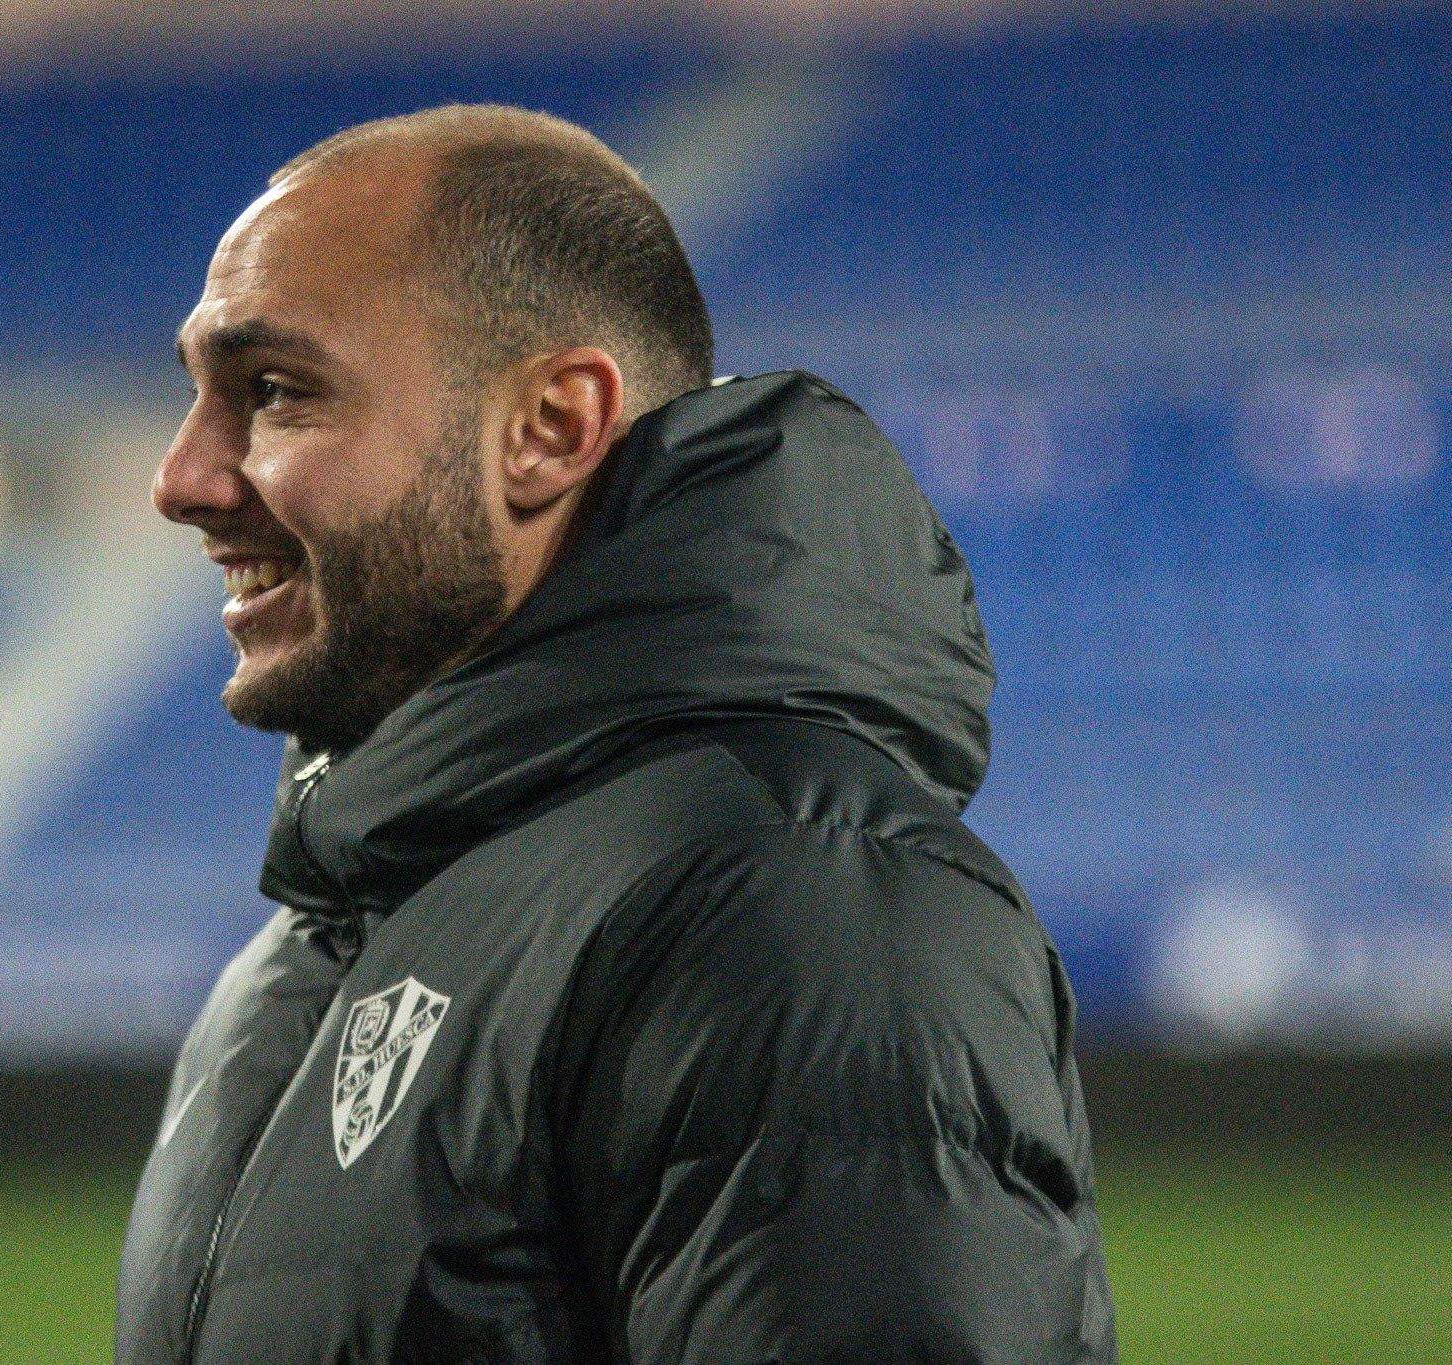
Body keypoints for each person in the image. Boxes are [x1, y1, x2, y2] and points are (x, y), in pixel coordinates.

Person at [117, 104, 1115, 1363]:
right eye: (197, 395)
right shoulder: (325, 935)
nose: (180, 478)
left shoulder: (791, 905)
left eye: (272, 393)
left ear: (548, 428)